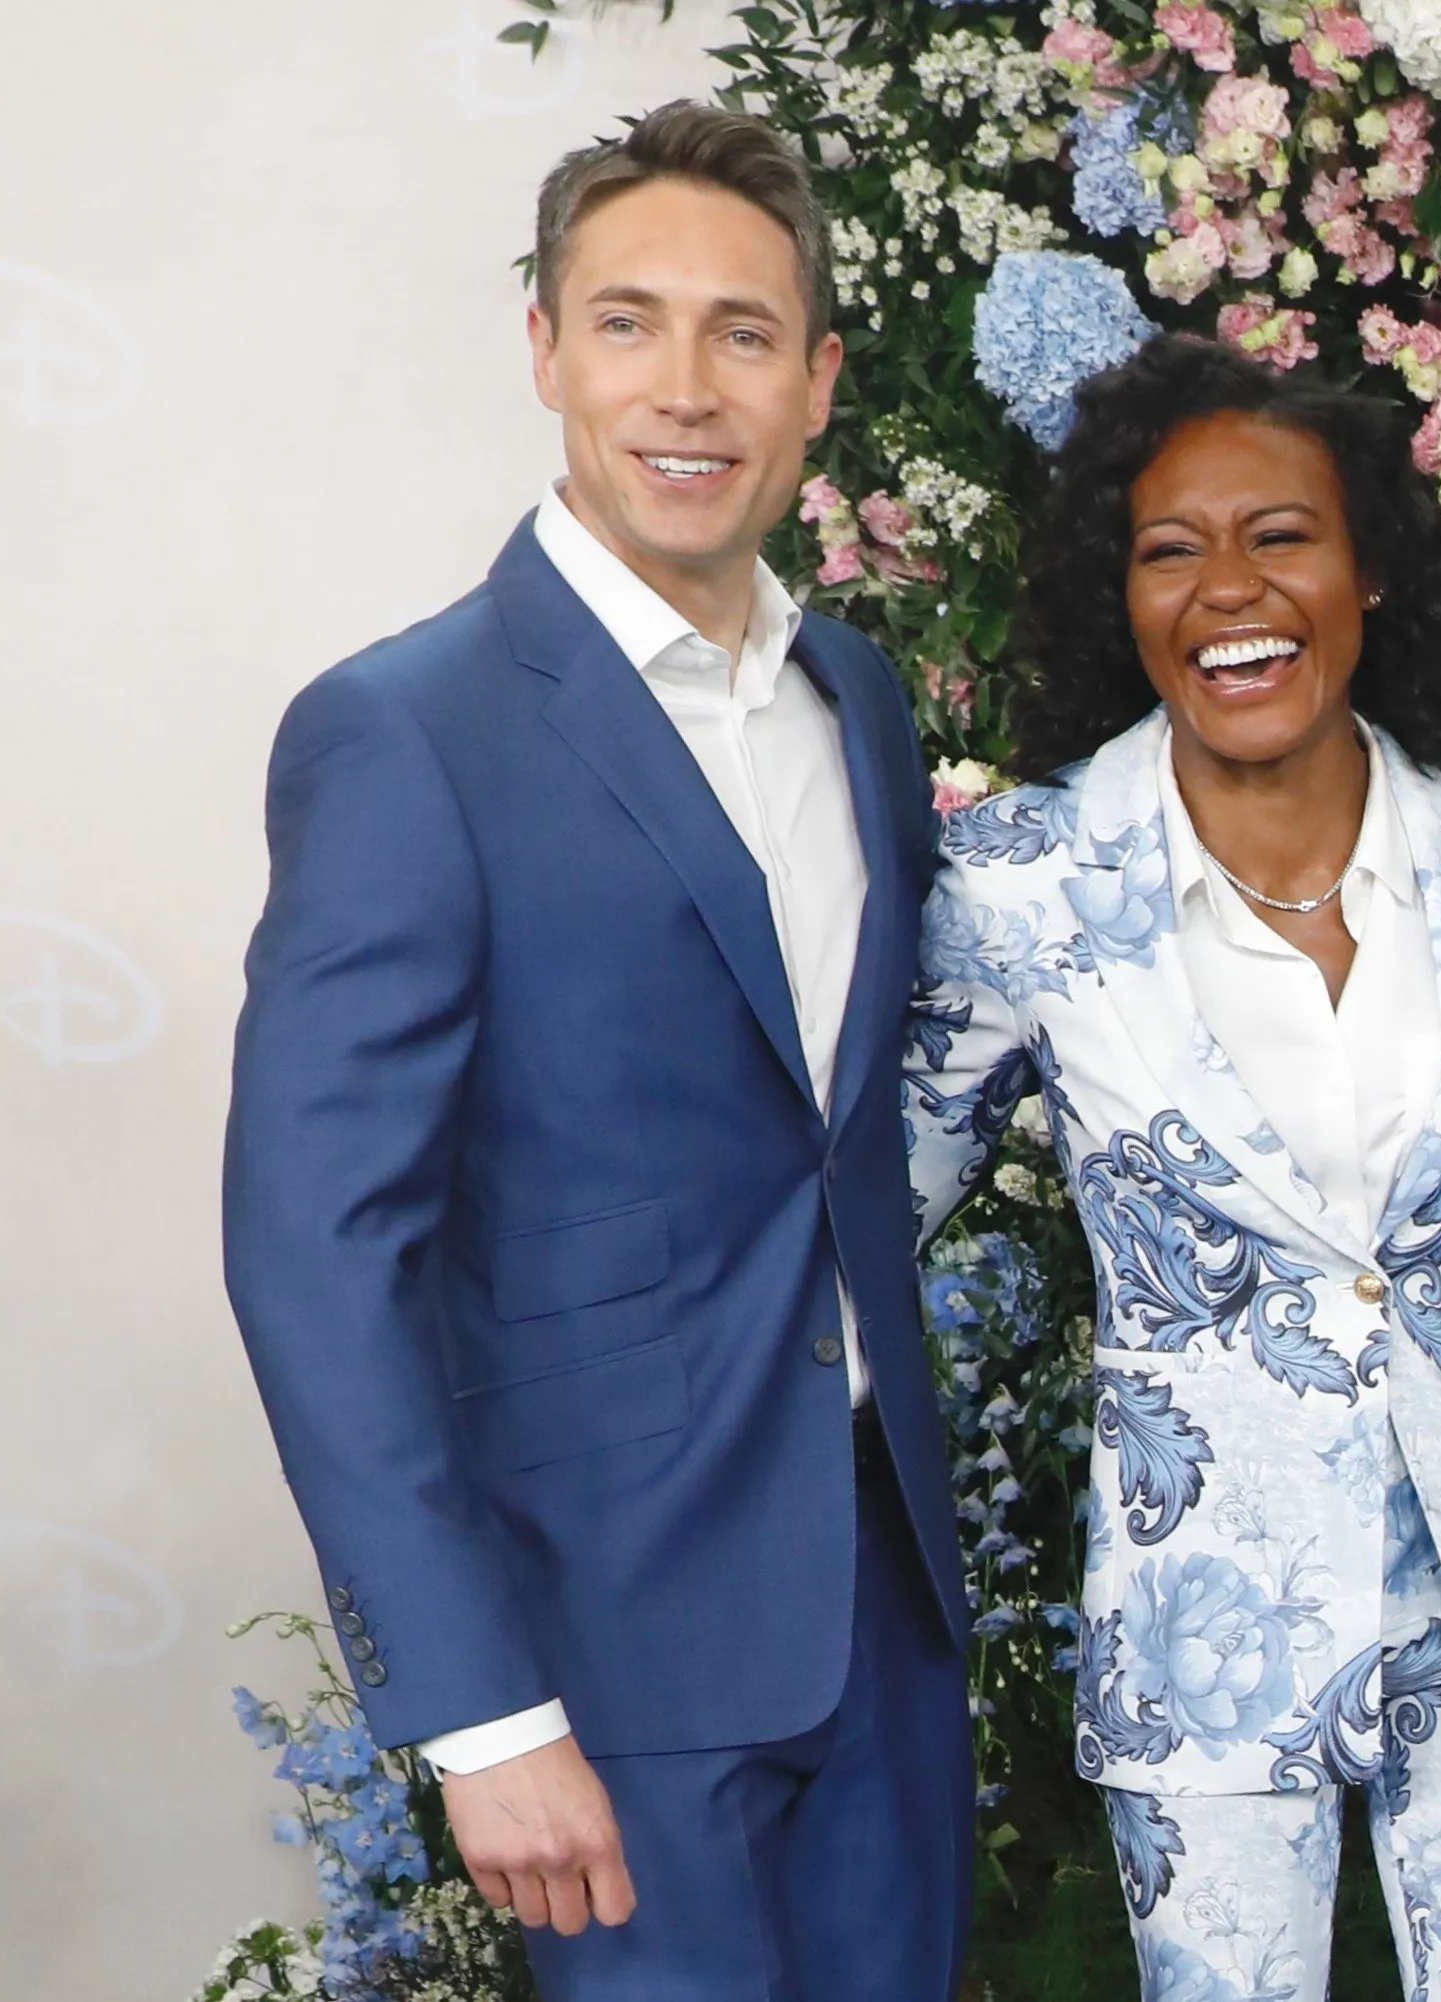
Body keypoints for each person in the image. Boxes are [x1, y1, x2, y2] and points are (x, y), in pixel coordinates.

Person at [222, 104, 972, 1999]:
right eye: (629, 322)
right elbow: (319, 1250)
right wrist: (481, 1711)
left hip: (881, 1621)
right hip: (602, 1663)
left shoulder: (857, 701)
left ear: (817, 381)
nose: (686, 386)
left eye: (742, 332)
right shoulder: (406, 731)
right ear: (547, 350)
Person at [902, 334, 1441, 2002]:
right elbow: (866, 1207)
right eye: (1171, 549)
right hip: (1206, 1625)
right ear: (1120, 596)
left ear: (1367, 569)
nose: (1229, 588)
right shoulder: (1021, 881)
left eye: (1280, 535)